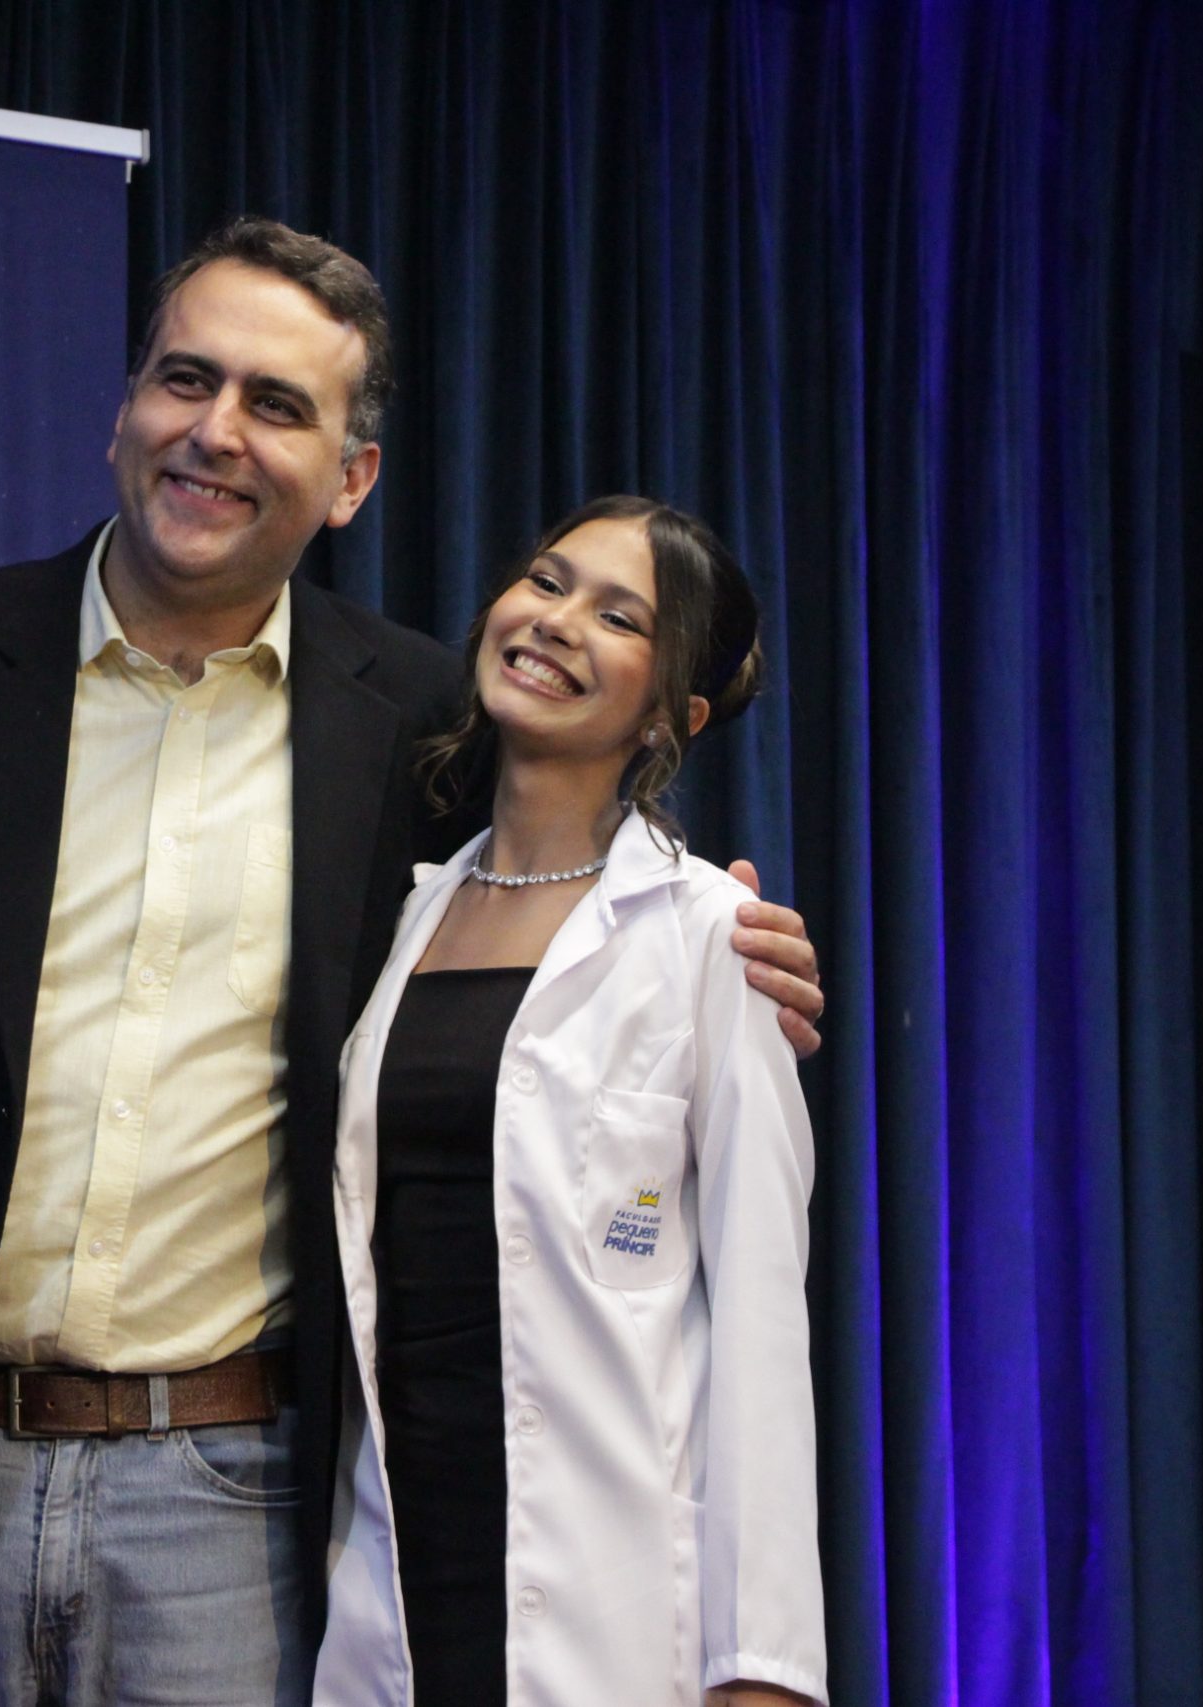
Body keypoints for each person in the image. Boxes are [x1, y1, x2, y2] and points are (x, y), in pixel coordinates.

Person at [0, 221, 828, 1706]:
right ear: (123, 409)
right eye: (185, 380)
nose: (216, 432)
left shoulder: (419, 721)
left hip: (231, 1498)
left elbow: (567, 860)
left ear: (351, 478)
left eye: (276, 405)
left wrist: (724, 929)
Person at [314, 496, 828, 1706]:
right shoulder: (403, 915)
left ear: (672, 714)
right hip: (394, 1573)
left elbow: (760, 1325)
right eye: (546, 583)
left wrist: (761, 1669)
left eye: (618, 617)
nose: (555, 622)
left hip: (611, 1597)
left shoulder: (712, 937)